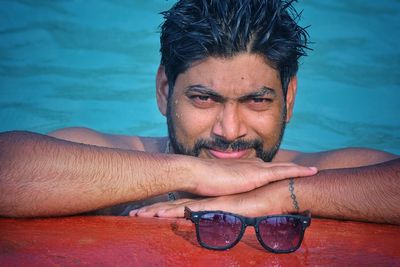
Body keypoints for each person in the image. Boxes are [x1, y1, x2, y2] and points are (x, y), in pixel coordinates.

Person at [0, 0, 399, 224]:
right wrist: (196, 173)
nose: (229, 130)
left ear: (289, 99)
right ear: (163, 91)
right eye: (204, 99)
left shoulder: (320, 175)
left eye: (257, 101)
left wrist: (277, 197)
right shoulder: (114, 161)